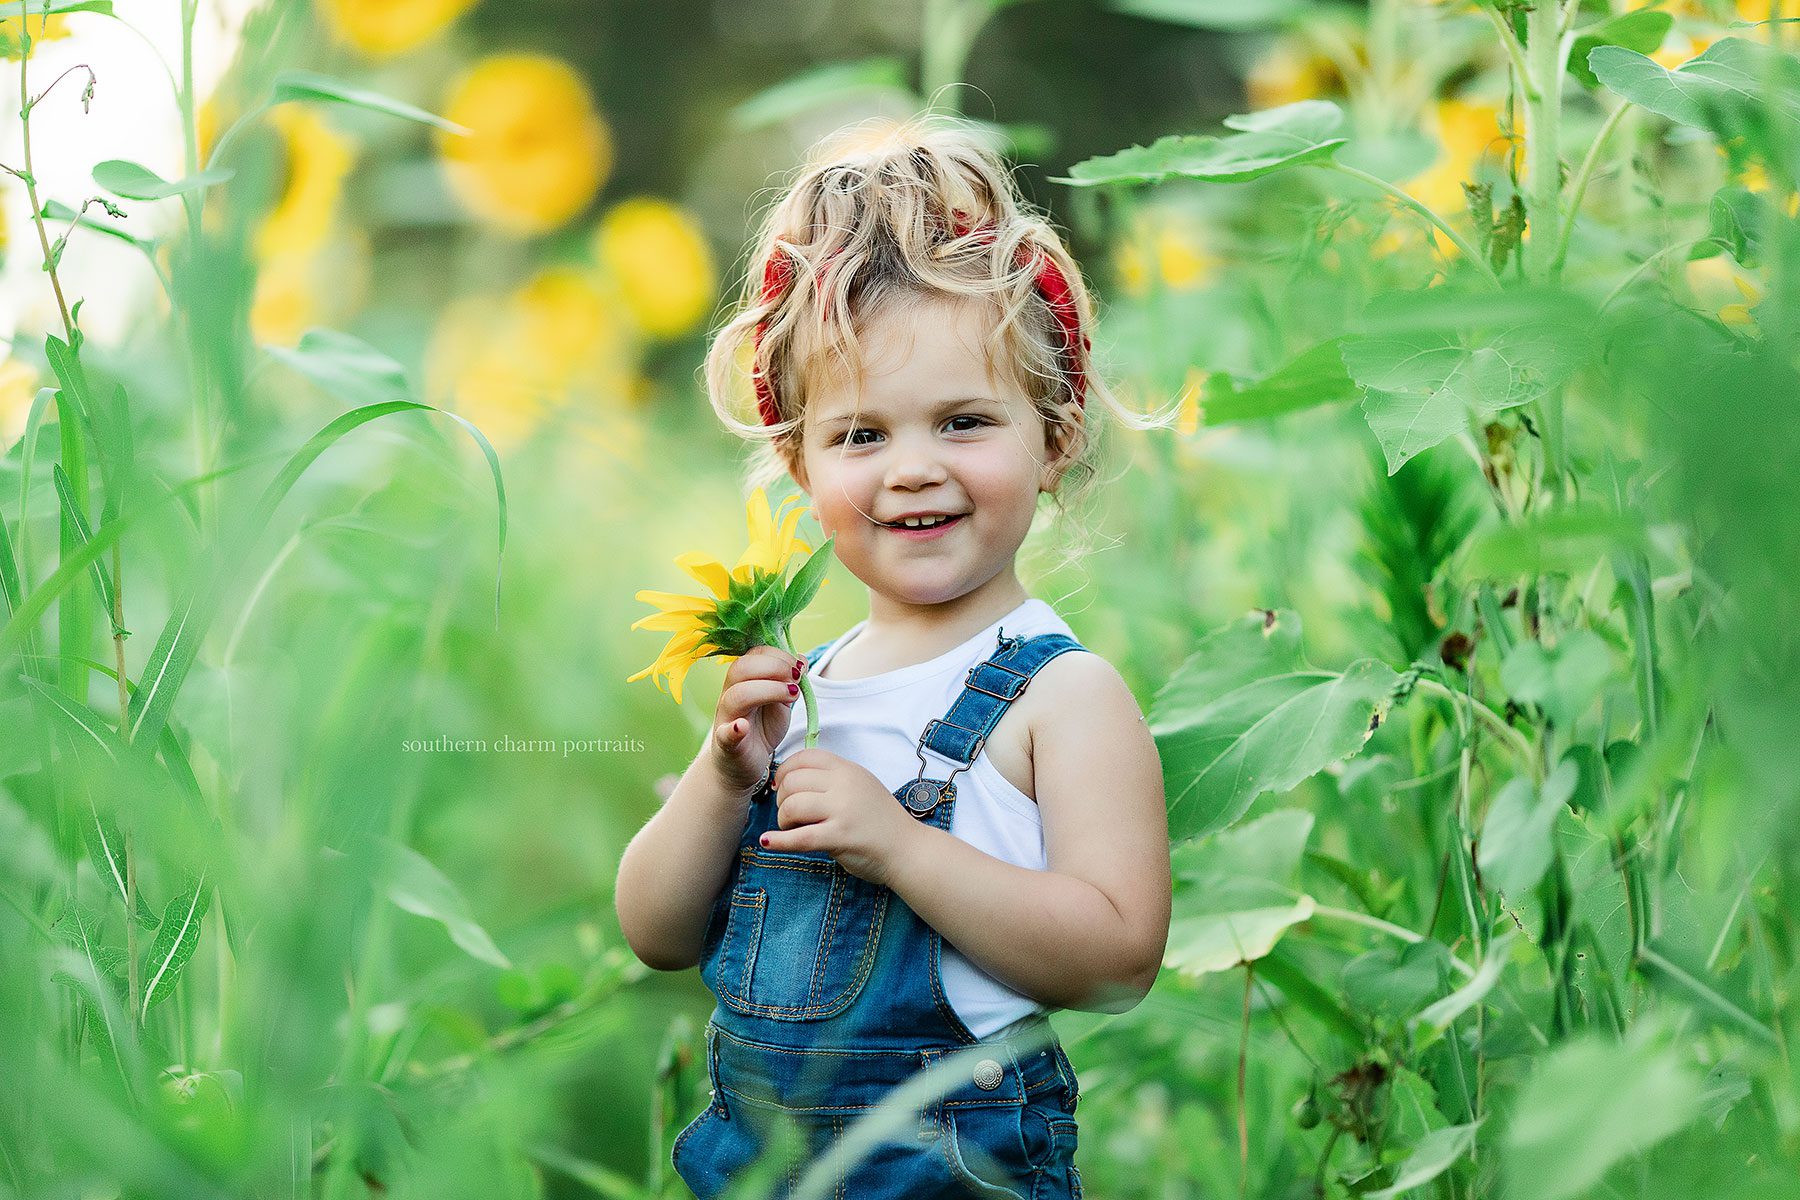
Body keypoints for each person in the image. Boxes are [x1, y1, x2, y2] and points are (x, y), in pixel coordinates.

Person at [615, 115, 1176, 1199]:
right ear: (800, 461)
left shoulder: (1061, 696)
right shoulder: (806, 691)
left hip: (949, 1170)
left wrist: (902, 847)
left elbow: (1117, 957)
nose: (912, 470)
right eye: (862, 436)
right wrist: (724, 776)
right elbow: (656, 932)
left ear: (1053, 435)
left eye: (963, 421)